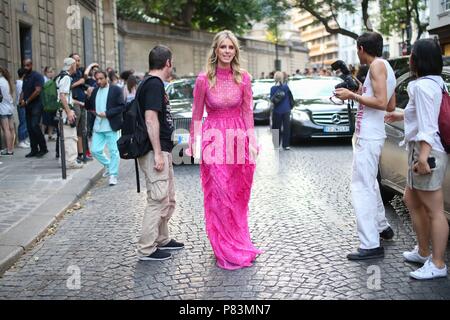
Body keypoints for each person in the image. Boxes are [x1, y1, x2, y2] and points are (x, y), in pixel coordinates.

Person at [188, 30, 262, 270]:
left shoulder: (244, 77)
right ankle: (223, 246)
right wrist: (193, 143)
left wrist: (252, 140)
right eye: (223, 47)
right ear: (216, 50)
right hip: (214, 139)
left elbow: (247, 112)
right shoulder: (203, 79)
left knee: (236, 195)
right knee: (220, 195)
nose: (227, 51)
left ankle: (238, 241)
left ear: (235, 51)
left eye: (231, 47)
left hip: (238, 139)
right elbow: (197, 114)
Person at [385, 39, 449, 280]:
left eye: (411, 54)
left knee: (435, 211)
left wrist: (422, 158)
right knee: (410, 198)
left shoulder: (421, 87)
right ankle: (423, 252)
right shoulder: (436, 83)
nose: (409, 58)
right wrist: (399, 114)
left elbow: (428, 127)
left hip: (427, 152)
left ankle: (438, 263)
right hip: (424, 149)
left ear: (416, 60)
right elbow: (424, 114)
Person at [334, 32, 397, 260]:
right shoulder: (385, 67)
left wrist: (352, 95)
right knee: (369, 183)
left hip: (369, 136)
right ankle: (382, 227)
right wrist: (361, 90)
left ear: (361, 48)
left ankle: (370, 244)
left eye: (357, 49)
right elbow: (390, 105)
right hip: (372, 134)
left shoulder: (377, 66)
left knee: (361, 187)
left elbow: (381, 103)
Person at [137, 45, 184, 261]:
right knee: (157, 200)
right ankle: (147, 248)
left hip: (162, 149)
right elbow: (150, 118)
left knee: (167, 198)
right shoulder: (154, 84)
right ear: (168, 63)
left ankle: (163, 239)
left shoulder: (150, 83)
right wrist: (157, 153)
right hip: (154, 151)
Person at [86, 70, 124, 186]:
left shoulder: (116, 89)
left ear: (106, 78)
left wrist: (107, 113)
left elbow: (122, 106)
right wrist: (88, 96)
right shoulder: (95, 90)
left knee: (114, 151)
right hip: (98, 126)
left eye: (101, 78)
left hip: (111, 125)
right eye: (97, 79)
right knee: (95, 150)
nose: (99, 81)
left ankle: (113, 175)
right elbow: (88, 107)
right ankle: (108, 165)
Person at [57, 58, 83, 169]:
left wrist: (79, 102)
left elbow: (65, 97)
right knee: (70, 136)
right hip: (65, 111)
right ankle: (71, 161)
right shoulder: (67, 78)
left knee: (64, 136)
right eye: (75, 65)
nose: (76, 67)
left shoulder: (60, 77)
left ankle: (63, 160)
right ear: (72, 66)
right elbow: (63, 96)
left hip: (60, 110)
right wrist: (69, 112)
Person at [19, 59, 48, 158]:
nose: (25, 68)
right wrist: (21, 100)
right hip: (28, 106)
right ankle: (34, 149)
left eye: (27, 65)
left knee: (35, 125)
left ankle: (43, 148)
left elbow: (38, 90)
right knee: (30, 128)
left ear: (31, 65)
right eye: (24, 66)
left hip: (37, 105)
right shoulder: (26, 77)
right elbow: (23, 91)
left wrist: (27, 101)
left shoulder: (37, 76)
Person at [69, 53, 92, 163]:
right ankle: (74, 155)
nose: (77, 63)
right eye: (75, 60)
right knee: (74, 129)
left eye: (79, 60)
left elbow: (84, 80)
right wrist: (79, 82)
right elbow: (66, 87)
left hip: (82, 103)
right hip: (74, 102)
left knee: (82, 130)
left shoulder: (79, 72)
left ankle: (82, 154)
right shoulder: (68, 73)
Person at [270, 71, 293, 151]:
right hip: (286, 109)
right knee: (286, 128)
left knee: (276, 128)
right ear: (282, 78)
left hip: (277, 110)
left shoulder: (272, 88)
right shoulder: (286, 87)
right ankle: (286, 145)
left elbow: (272, 100)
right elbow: (290, 98)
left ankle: (276, 145)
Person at [0, 67, 15, 155]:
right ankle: (11, 149)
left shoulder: (0, 81)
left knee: (6, 129)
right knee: (11, 128)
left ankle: (9, 150)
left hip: (2, 107)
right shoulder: (7, 81)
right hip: (9, 107)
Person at [42, 66, 57, 141]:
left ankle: (50, 136)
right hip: (46, 104)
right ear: (45, 73)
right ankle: (41, 136)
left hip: (52, 104)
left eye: (52, 72)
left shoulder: (53, 80)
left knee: (51, 120)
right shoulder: (44, 80)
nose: (51, 73)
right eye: (49, 72)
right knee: (45, 121)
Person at [15, 68, 29, 149]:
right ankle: (21, 141)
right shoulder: (21, 83)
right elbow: (21, 94)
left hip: (21, 104)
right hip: (21, 105)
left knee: (24, 122)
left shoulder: (18, 82)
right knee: (23, 123)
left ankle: (24, 140)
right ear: (24, 75)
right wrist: (21, 103)